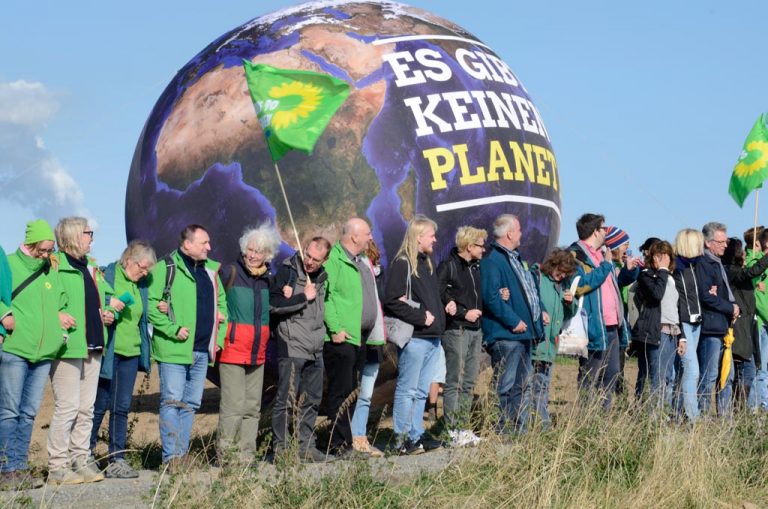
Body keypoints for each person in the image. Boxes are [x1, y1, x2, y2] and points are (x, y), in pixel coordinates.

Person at [148, 224, 227, 468]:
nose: (209, 247)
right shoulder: (165, 268)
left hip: (202, 350)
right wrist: (173, 330)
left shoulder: (211, 272)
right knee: (172, 401)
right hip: (174, 349)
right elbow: (152, 305)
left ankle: (181, 456)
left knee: (191, 404)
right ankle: (171, 458)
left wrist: (219, 336)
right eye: (204, 243)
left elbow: (222, 304)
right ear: (187, 244)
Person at [0, 220, 69, 489]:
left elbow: (61, 301)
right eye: (42, 249)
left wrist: (61, 330)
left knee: (28, 413)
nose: (46, 255)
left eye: (49, 250)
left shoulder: (51, 269)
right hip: (16, 349)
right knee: (8, 411)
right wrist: (4, 314)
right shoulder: (7, 263)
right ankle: (5, 469)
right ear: (30, 243)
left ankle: (19, 468)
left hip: (44, 353)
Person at [48, 217, 114, 484]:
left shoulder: (93, 267)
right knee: (67, 407)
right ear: (74, 236)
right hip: (69, 346)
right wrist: (57, 315)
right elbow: (46, 301)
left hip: (95, 343)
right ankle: (57, 466)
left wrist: (108, 312)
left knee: (86, 408)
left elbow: (105, 298)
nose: (92, 238)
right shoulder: (54, 267)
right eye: (88, 233)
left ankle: (80, 458)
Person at [90, 240, 156, 479]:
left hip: (131, 352)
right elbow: (96, 303)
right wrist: (110, 306)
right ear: (129, 259)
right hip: (109, 351)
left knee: (121, 408)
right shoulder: (107, 275)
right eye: (142, 266)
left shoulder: (143, 286)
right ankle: (86, 454)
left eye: (148, 269)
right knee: (99, 404)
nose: (145, 272)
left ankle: (117, 459)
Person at [215, 225, 279, 463]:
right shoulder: (230, 272)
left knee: (252, 408)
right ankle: (227, 456)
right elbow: (211, 296)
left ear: (267, 255)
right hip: (232, 351)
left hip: (257, 353)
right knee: (233, 406)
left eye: (259, 251)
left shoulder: (267, 281)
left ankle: (247, 456)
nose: (253, 255)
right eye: (250, 249)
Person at [383, 215, 446, 454]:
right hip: (415, 338)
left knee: (421, 392)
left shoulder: (427, 264)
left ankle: (415, 435)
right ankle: (400, 440)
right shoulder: (403, 263)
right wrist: (421, 318)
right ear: (419, 237)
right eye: (431, 235)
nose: (435, 239)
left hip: (432, 338)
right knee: (408, 390)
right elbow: (391, 300)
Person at [323, 218, 385, 455]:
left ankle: (347, 440)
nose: (370, 237)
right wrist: (335, 328)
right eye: (367, 233)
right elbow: (326, 297)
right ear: (354, 236)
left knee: (351, 390)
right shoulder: (335, 261)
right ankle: (338, 443)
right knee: (341, 392)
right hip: (342, 338)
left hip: (361, 337)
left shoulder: (361, 262)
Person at [481, 214, 546, 433]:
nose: (521, 234)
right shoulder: (493, 261)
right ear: (509, 233)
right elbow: (491, 298)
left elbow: (529, 291)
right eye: (518, 230)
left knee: (521, 386)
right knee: (505, 385)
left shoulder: (517, 260)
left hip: (524, 334)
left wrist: (540, 312)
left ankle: (518, 428)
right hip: (507, 335)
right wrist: (514, 321)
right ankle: (501, 429)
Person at [270, 237, 331, 463]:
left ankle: (306, 447)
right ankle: (282, 450)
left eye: (316, 259)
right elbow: (273, 304)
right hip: (292, 343)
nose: (309, 262)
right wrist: (302, 297)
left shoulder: (324, 277)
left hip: (316, 346)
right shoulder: (288, 271)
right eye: (307, 255)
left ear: (325, 259)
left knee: (312, 400)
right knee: (286, 399)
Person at [568, 214, 633, 410]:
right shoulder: (575, 255)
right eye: (604, 228)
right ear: (596, 231)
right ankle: (584, 420)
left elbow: (615, 283)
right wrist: (605, 265)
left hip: (612, 325)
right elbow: (579, 286)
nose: (607, 232)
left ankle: (602, 419)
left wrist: (629, 270)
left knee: (612, 372)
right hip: (594, 325)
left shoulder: (602, 254)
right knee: (590, 374)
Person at [436, 226, 487, 446]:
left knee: (468, 382)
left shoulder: (476, 268)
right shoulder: (448, 266)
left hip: (476, 330)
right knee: (454, 381)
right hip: (457, 329)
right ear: (469, 246)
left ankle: (463, 428)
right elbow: (439, 294)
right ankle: (451, 431)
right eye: (480, 245)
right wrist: (464, 312)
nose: (484, 249)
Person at [631, 241, 686, 411]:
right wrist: (662, 270)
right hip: (656, 332)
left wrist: (681, 336)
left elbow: (677, 308)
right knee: (656, 377)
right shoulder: (646, 275)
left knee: (667, 377)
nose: (661, 259)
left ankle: (663, 415)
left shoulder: (671, 279)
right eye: (658, 255)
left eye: (665, 256)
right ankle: (650, 419)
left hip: (672, 332)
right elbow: (656, 294)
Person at [696, 222, 740, 416]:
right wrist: (730, 306)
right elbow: (706, 296)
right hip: (710, 327)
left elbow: (716, 294)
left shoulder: (718, 263)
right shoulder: (704, 263)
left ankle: (722, 415)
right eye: (721, 241)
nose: (725, 245)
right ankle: (702, 415)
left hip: (722, 326)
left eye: (726, 241)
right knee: (709, 374)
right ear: (708, 243)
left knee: (725, 374)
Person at [531, 248, 576, 428]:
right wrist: (540, 312)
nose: (562, 275)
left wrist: (570, 302)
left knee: (544, 385)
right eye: (560, 271)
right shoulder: (538, 279)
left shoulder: (562, 286)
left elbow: (569, 314)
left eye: (566, 273)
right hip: (538, 342)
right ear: (553, 264)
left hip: (551, 344)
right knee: (537, 384)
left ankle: (539, 422)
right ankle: (542, 424)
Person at [721, 236, 768, 409]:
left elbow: (753, 273)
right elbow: (751, 271)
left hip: (748, 328)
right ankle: (736, 411)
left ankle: (739, 411)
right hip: (738, 330)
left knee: (748, 371)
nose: (743, 253)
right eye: (740, 250)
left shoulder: (739, 272)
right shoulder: (730, 271)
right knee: (741, 372)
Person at [350, 239, 386, 457]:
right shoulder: (355, 271)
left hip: (374, 340)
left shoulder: (378, 275)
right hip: (358, 339)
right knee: (357, 392)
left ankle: (359, 436)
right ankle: (352, 437)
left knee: (366, 393)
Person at [673, 228, 706, 421]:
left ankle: (678, 412)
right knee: (692, 369)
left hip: (697, 322)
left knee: (685, 370)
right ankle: (693, 417)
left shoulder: (695, 266)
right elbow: (675, 301)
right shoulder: (677, 268)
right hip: (683, 322)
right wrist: (680, 334)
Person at [603, 226, 640, 395]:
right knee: (609, 368)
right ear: (615, 245)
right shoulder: (607, 266)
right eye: (625, 244)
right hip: (609, 324)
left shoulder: (618, 266)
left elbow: (625, 279)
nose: (627, 248)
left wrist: (631, 268)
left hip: (620, 322)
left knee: (618, 367)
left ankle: (619, 400)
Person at [747, 227, 768, 410]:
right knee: (760, 370)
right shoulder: (755, 263)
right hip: (761, 324)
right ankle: (755, 409)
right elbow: (759, 298)